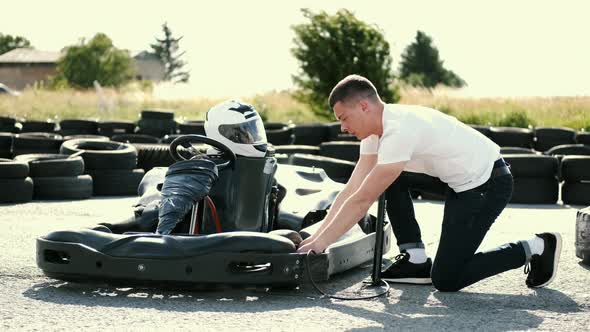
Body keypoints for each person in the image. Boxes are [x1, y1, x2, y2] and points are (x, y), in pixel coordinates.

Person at [296, 74, 562, 291]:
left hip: (487, 184)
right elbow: (352, 190)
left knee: (447, 279)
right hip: (454, 179)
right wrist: (313, 239)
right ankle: (415, 259)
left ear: (364, 106)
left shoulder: (399, 129)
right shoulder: (374, 133)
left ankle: (536, 246)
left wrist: (321, 247)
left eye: (344, 118)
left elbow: (363, 200)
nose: (342, 127)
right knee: (384, 177)